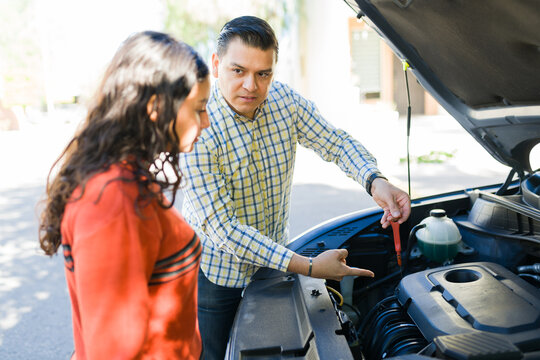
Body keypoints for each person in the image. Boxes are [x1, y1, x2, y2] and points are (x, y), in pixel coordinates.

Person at [179, 16, 411, 359]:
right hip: (217, 272)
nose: (251, 86)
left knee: (273, 350)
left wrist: (374, 179)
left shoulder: (284, 102)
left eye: (263, 74)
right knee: (209, 354)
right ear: (216, 65)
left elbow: (334, 142)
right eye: (238, 71)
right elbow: (223, 229)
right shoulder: (197, 129)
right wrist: (312, 267)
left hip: (275, 262)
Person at [38, 31, 210, 360]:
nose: (206, 121)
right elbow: (112, 348)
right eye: (199, 109)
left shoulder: (122, 180)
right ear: (156, 108)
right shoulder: (114, 198)